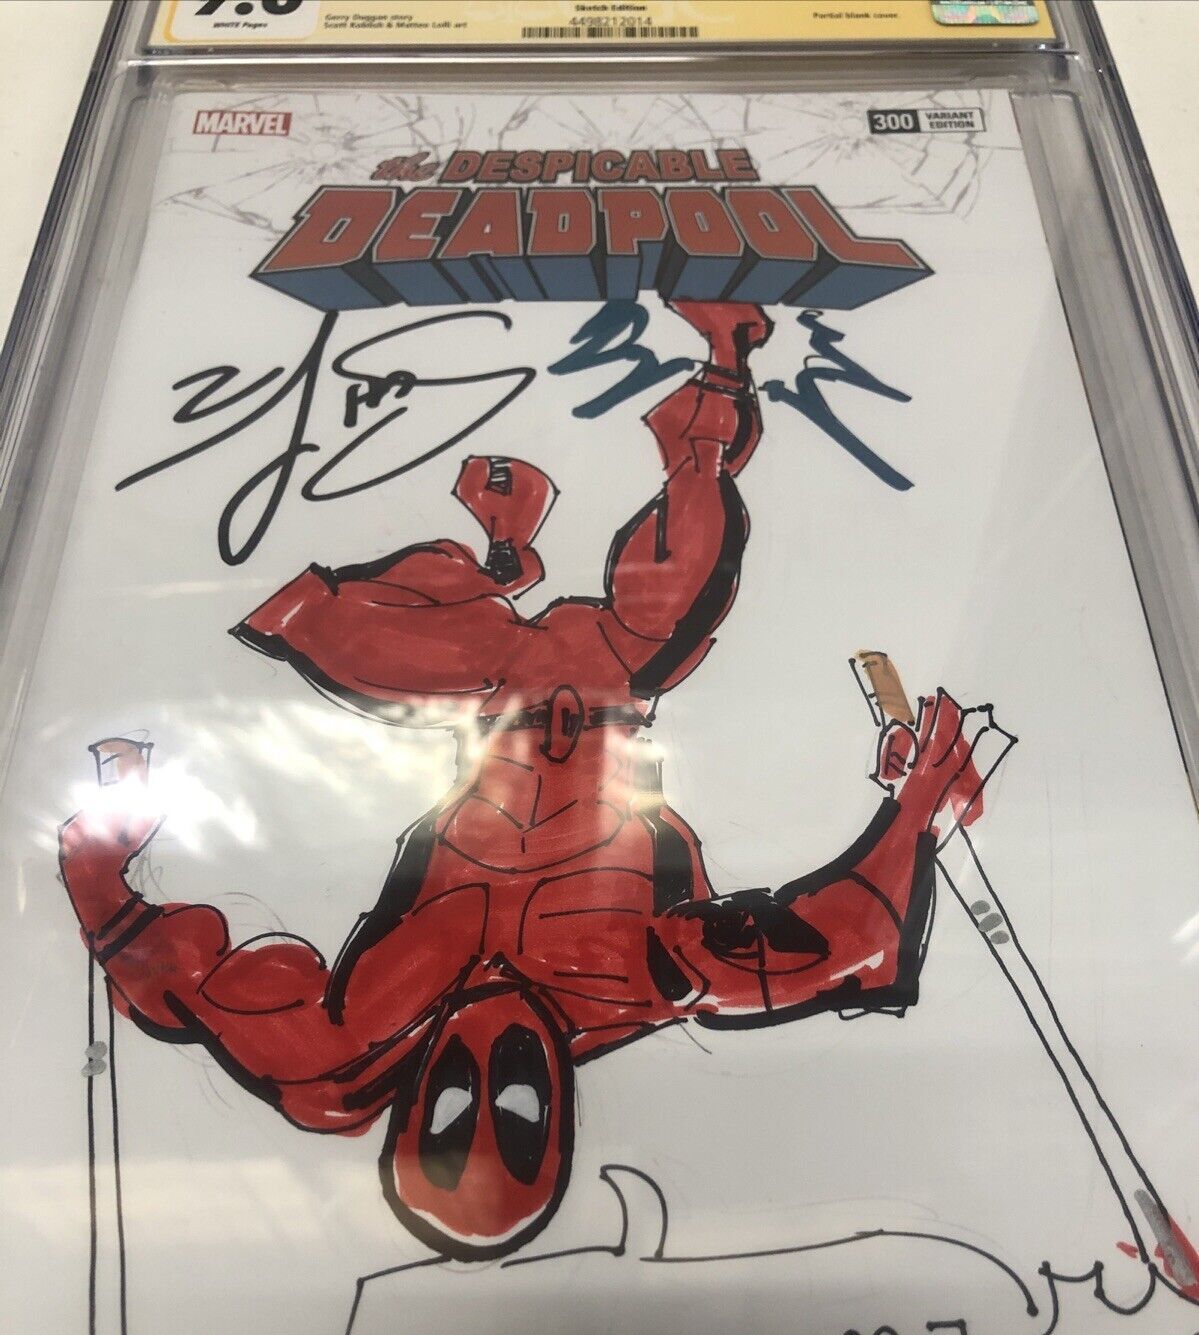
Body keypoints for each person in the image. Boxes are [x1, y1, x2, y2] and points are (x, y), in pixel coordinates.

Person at [60, 299, 990, 1260]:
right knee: (668, 608)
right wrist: (916, 808)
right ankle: (724, 359)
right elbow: (852, 948)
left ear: (408, 1114)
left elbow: (185, 991)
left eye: (448, 1116)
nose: (486, 1076)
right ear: (559, 1124)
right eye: (515, 1119)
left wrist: (96, 870)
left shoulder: (338, 1047)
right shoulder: (641, 982)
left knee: (316, 625)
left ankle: (501, 561)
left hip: (484, 696)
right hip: (603, 687)